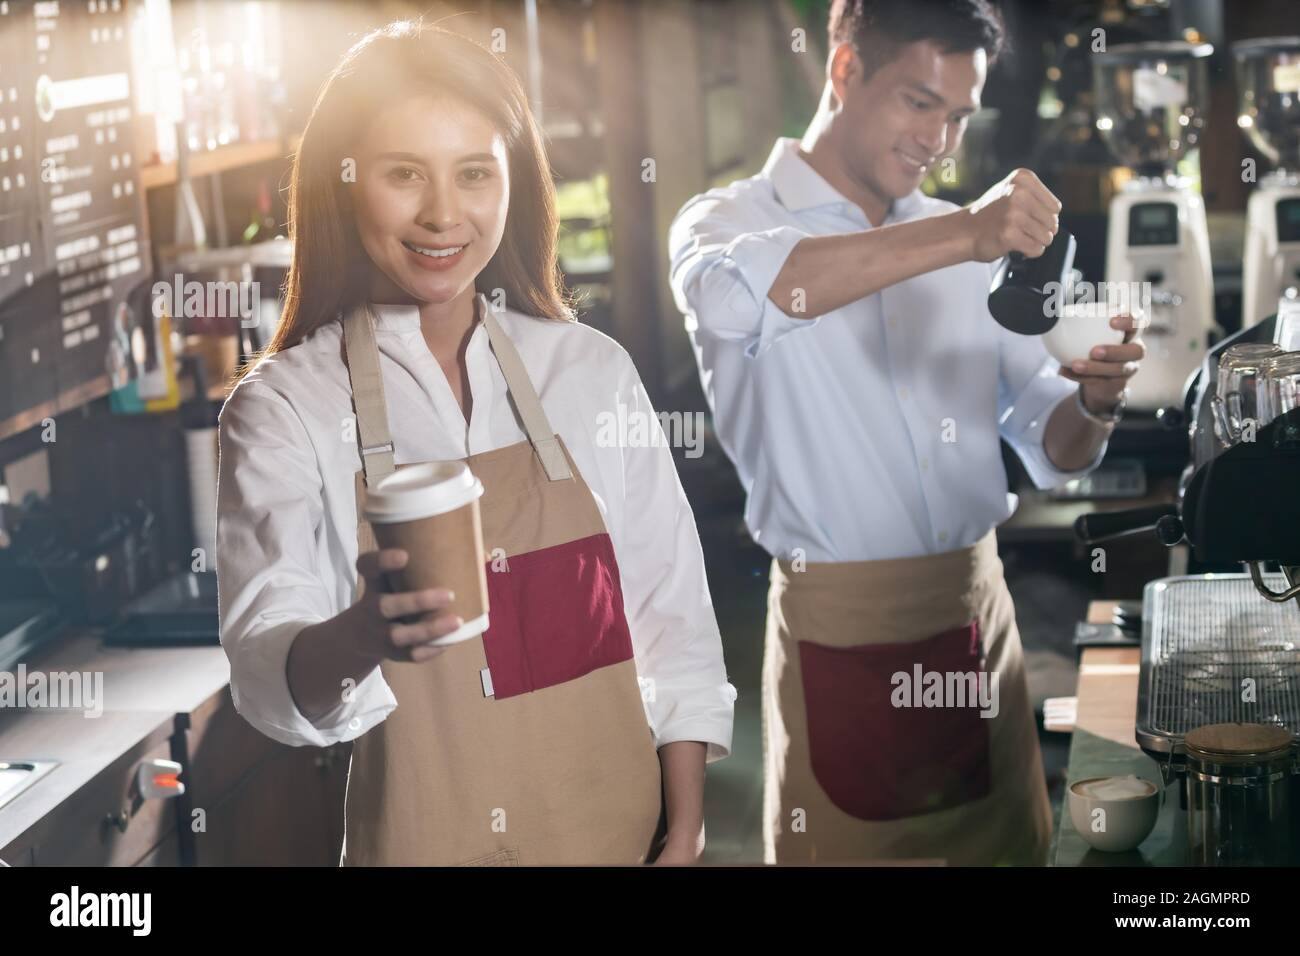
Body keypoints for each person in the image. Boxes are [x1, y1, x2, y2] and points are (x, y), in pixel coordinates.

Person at [216, 21, 734, 866]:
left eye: (474, 173)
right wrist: (363, 634)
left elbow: (672, 619)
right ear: (345, 185)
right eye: (403, 174)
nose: (443, 214)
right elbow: (268, 678)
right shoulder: (285, 409)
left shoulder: (590, 371)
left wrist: (684, 831)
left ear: (514, 181)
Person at [668, 0, 1143, 865]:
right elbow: (755, 297)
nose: (941, 140)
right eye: (919, 103)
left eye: (959, 115)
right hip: (839, 633)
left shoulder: (975, 244)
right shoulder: (725, 223)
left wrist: (1096, 403)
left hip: (975, 621)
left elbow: (1049, 441)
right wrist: (962, 233)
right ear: (844, 70)